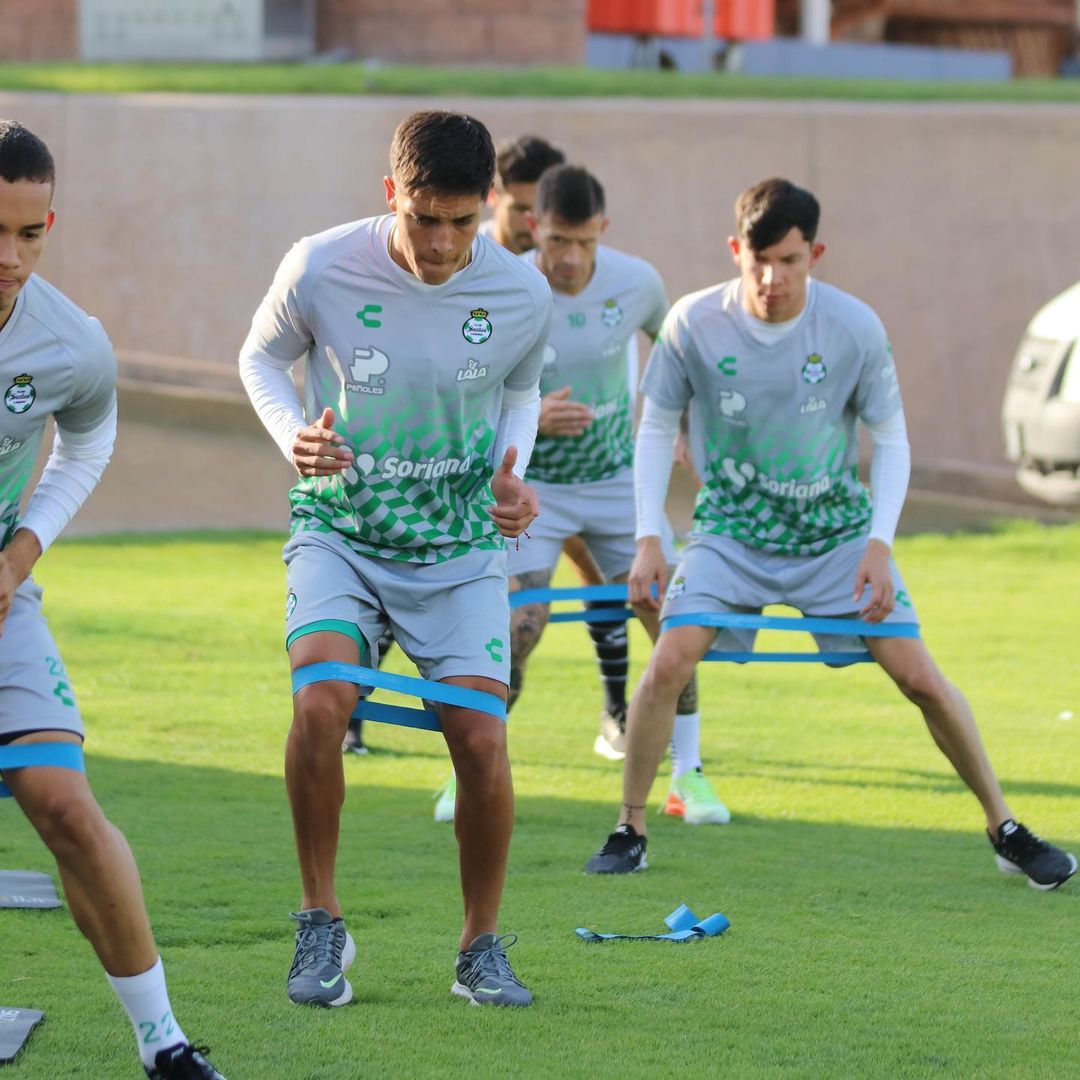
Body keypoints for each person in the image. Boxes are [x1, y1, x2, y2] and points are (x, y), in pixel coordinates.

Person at [584, 177, 1078, 891]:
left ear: (814, 255)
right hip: (729, 532)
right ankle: (629, 828)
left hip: (835, 536)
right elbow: (657, 427)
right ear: (734, 250)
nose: (771, 278)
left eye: (788, 261)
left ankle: (1005, 828)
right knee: (668, 664)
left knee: (921, 678)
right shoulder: (693, 322)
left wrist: (879, 544)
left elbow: (892, 439)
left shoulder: (853, 327)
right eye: (758, 260)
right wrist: (648, 537)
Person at [239, 110, 552, 1007]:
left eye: (462, 221)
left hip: (457, 543)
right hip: (341, 529)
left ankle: (480, 946)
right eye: (423, 219)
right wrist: (295, 436)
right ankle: (320, 921)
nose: (443, 244)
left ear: (487, 205)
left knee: (481, 736)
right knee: (320, 701)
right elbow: (260, 360)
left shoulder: (521, 292)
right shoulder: (319, 264)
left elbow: (522, 387)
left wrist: (513, 471)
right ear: (391, 195)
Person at [0, 120, 226, 1078]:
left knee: (64, 804)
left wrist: (20, 555)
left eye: (30, 234)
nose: (11, 259)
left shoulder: (68, 342)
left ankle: (162, 1043)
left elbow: (88, 444)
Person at [432, 164, 728, 826]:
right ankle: (468, 774)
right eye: (558, 240)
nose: (570, 258)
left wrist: (683, 427)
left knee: (670, 619)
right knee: (517, 626)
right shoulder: (499, 285)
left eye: (585, 242)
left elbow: (682, 360)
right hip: (531, 486)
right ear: (533, 226)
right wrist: (529, 418)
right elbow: (458, 388)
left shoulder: (638, 283)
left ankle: (689, 775)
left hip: (618, 483)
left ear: (603, 231)